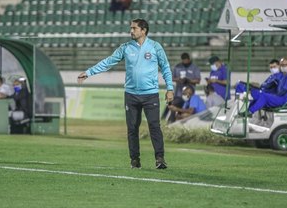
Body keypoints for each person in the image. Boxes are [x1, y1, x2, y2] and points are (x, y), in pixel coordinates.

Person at [77, 18, 174, 169]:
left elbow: (166, 68)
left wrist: (170, 89)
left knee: (154, 126)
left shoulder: (155, 47)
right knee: (132, 128)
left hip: (150, 94)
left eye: (134, 28)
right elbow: (109, 61)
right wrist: (89, 72)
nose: (131, 31)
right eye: (131, 28)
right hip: (131, 95)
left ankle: (160, 159)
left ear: (144, 30)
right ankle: (134, 160)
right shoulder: (126, 47)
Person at [164, 52, 201, 121]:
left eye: (186, 60)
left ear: (189, 59)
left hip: (189, 94)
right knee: (172, 105)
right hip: (179, 93)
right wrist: (178, 79)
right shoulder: (178, 67)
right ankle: (168, 120)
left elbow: (198, 80)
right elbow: (171, 78)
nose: (185, 61)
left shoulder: (194, 67)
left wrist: (189, 80)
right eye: (183, 60)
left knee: (184, 110)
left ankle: (176, 122)